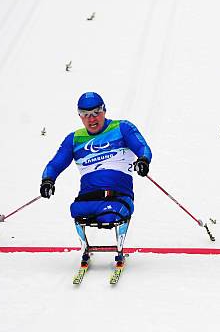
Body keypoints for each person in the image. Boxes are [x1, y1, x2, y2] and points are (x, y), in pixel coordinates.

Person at [40, 92, 152, 268]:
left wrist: (143, 160)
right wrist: (48, 180)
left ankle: (119, 247)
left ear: (104, 111)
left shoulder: (122, 128)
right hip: (88, 197)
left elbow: (142, 147)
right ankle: (85, 248)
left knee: (111, 212)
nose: (91, 119)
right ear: (80, 116)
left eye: (96, 112)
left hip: (118, 195)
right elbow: (55, 164)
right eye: (85, 114)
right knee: (77, 210)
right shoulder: (74, 139)